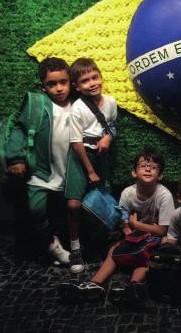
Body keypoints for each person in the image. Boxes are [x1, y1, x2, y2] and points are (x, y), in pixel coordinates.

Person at [58, 148, 174, 303]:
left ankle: (133, 288)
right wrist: (128, 230)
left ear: (160, 175)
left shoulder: (164, 195)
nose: (147, 168)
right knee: (114, 250)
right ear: (134, 173)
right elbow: (123, 221)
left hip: (156, 238)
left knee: (147, 257)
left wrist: (136, 224)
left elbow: (162, 230)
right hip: (135, 236)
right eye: (143, 166)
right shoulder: (127, 193)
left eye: (153, 167)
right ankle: (94, 284)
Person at [6, 57, 73, 264]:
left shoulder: (79, 104)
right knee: (36, 208)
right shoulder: (37, 104)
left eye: (63, 82)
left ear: (70, 82)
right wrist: (15, 157)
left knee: (67, 210)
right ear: (43, 87)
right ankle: (51, 244)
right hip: (42, 170)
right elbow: (19, 128)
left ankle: (72, 246)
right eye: (51, 84)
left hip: (70, 170)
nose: (59, 88)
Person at [65, 58, 117, 273]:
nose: (92, 83)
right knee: (74, 204)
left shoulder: (111, 102)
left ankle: (103, 243)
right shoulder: (77, 107)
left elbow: (112, 125)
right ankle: (75, 247)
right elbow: (76, 142)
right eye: (85, 81)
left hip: (102, 154)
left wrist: (108, 138)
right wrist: (90, 170)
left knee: (102, 201)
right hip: (82, 156)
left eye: (94, 77)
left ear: (100, 77)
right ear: (77, 87)